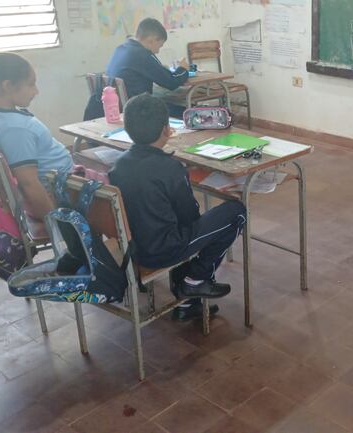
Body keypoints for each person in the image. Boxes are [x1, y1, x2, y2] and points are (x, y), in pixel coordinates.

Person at [109, 94, 246, 321]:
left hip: (132, 249)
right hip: (163, 251)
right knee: (236, 212)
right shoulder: (170, 168)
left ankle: (188, 302)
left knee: (176, 225)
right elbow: (190, 215)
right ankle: (196, 279)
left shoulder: (118, 165)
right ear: (166, 130)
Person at [0, 53, 74, 220]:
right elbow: (29, 183)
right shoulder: (15, 129)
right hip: (59, 192)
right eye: (31, 84)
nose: (36, 91)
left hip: (57, 181)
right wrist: (56, 223)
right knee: (115, 181)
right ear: (8, 85)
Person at [105, 18, 189, 107]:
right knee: (182, 108)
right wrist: (183, 68)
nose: (157, 52)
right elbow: (172, 82)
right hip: (138, 109)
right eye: (159, 46)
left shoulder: (121, 49)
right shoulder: (142, 55)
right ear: (151, 40)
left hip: (118, 107)